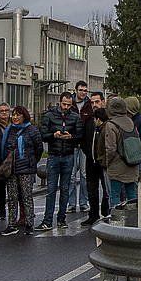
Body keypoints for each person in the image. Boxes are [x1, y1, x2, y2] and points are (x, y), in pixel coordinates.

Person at [38, 91, 83, 230]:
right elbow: (43, 134)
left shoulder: (75, 117)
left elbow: (80, 135)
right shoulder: (50, 116)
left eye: (69, 105)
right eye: (64, 104)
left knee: (65, 188)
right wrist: (54, 135)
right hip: (54, 155)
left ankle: (61, 219)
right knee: (51, 190)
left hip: (68, 155)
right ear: (60, 102)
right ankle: (47, 220)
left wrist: (71, 137)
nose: (66, 107)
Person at [0, 106, 42, 235]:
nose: (15, 117)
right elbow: (4, 147)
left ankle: (29, 223)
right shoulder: (9, 130)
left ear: (24, 116)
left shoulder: (32, 130)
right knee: (12, 197)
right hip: (11, 169)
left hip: (26, 169)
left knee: (26, 196)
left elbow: (38, 149)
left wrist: (31, 162)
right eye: (14, 115)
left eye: (19, 115)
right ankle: (11, 224)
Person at [103, 96, 141, 208]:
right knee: (132, 196)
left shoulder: (111, 124)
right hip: (132, 163)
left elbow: (110, 148)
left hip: (116, 166)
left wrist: (106, 163)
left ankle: (116, 220)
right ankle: (133, 220)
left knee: (115, 195)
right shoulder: (130, 121)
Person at [80, 92, 110, 226]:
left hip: (103, 161)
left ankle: (106, 210)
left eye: (97, 102)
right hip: (90, 159)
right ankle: (93, 214)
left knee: (106, 187)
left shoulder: (107, 120)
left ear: (103, 102)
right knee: (91, 187)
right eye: (92, 102)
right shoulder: (89, 121)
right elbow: (84, 139)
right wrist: (88, 152)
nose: (94, 105)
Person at [66, 80, 92, 214]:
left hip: (84, 145)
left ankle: (83, 202)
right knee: (71, 175)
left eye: (85, 90)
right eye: (81, 90)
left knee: (84, 174)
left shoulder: (89, 104)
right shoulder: (70, 104)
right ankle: (71, 204)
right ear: (76, 90)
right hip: (71, 143)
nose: (83, 93)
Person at [0, 103, 11, 221]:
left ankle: (13, 209)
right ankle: (2, 210)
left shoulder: (13, 124)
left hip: (11, 160)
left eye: (6, 110)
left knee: (13, 187)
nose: (4, 113)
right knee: (0, 187)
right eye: (1, 111)